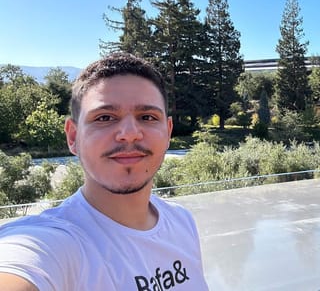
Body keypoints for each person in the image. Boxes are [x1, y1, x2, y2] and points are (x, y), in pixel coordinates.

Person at [0, 52, 209, 291]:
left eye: (148, 117)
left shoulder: (182, 221)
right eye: (105, 117)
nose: (129, 133)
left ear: (168, 131)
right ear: (73, 136)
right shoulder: (53, 244)